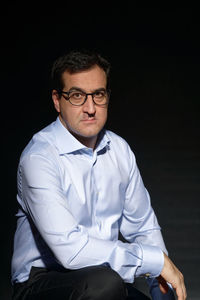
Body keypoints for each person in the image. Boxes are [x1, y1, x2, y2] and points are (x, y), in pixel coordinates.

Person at [11, 50, 186, 300]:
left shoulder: (119, 150)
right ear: (57, 100)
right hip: (42, 283)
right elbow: (71, 251)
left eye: (98, 95)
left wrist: (161, 286)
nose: (90, 108)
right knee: (104, 285)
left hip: (105, 280)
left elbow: (143, 227)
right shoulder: (39, 158)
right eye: (77, 96)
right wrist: (154, 261)